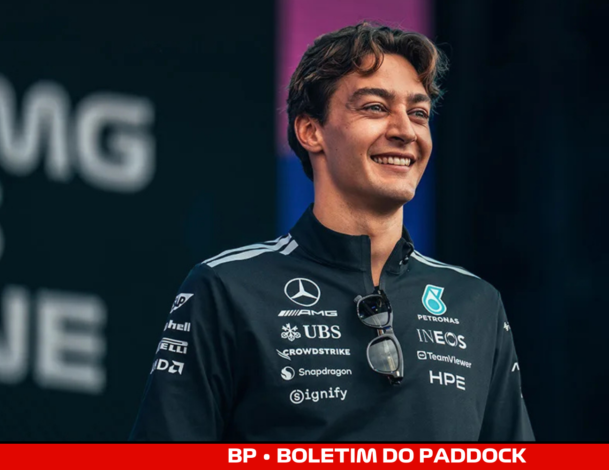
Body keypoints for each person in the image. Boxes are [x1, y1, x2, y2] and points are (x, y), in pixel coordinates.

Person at [129, 21, 534, 441]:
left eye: (419, 114)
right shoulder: (226, 289)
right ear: (311, 131)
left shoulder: (477, 302)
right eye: (375, 107)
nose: (404, 131)